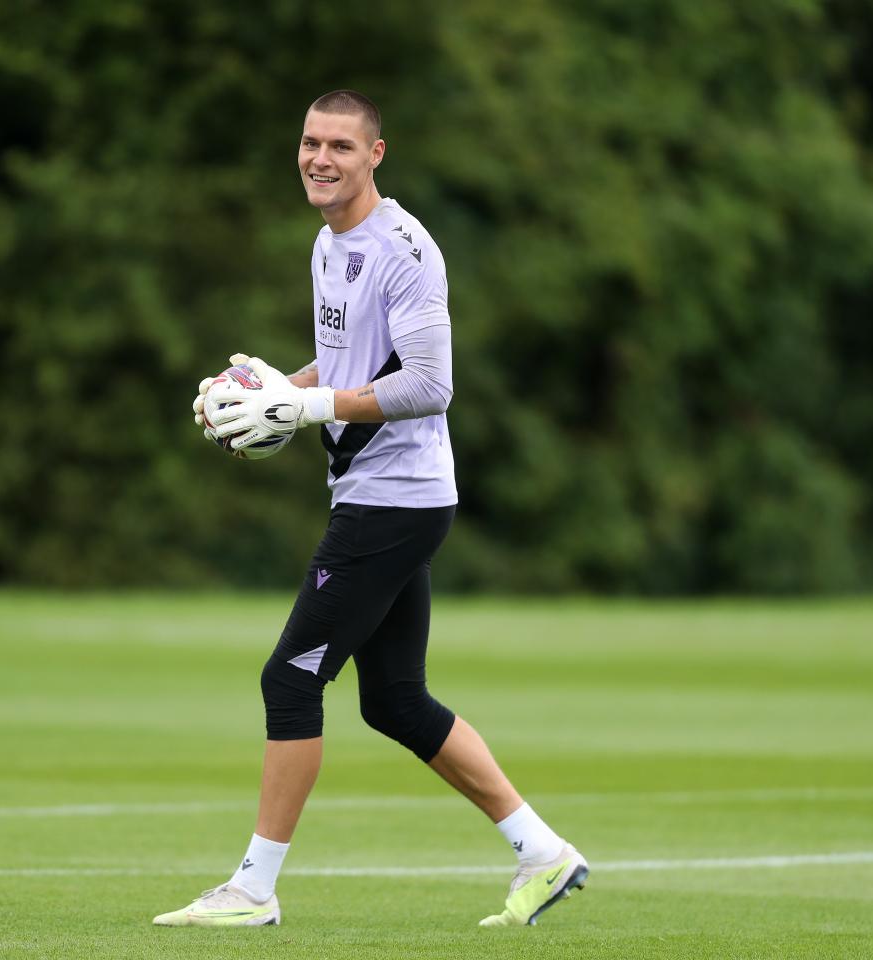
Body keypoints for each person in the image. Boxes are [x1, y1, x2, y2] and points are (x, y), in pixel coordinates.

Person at [155, 89, 588, 929]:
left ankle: (251, 890)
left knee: (289, 677)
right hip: (380, 496)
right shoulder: (327, 243)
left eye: (340, 147)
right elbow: (343, 361)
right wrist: (273, 393)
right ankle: (544, 853)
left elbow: (431, 386)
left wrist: (306, 411)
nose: (320, 159)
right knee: (393, 700)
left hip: (396, 501)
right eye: (310, 142)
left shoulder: (404, 250)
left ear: (376, 155)